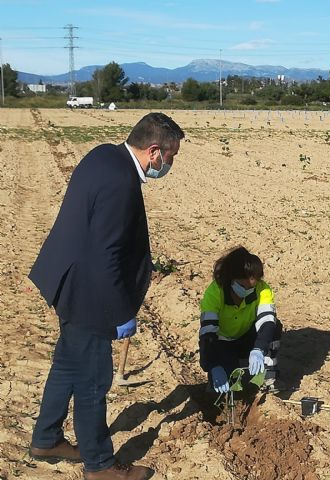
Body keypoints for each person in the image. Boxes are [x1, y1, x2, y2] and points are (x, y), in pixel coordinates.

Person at [28, 113, 185, 480]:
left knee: (68, 365)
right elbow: (106, 254)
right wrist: (119, 313)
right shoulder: (121, 182)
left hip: (66, 279)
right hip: (89, 291)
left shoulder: (104, 155)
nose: (170, 164)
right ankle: (100, 466)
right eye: (171, 157)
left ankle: (46, 437)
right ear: (154, 152)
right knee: (93, 380)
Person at [199, 247, 281, 393]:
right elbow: (208, 333)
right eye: (242, 286)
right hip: (223, 341)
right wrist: (212, 365)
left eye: (251, 287)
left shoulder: (262, 290)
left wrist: (259, 349)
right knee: (227, 383)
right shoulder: (215, 292)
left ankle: (269, 376)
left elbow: (267, 322)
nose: (247, 290)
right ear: (231, 279)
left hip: (247, 336)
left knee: (274, 326)